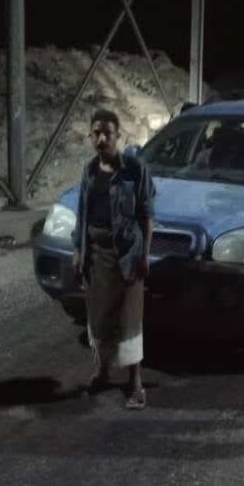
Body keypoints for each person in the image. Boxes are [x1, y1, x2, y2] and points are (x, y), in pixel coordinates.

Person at [71, 109, 155, 409]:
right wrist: (78, 250)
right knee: (99, 318)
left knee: (128, 320)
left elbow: (147, 215)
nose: (102, 138)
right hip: (96, 255)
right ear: (90, 136)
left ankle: (135, 383)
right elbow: (82, 213)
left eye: (107, 133)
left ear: (118, 136)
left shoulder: (135, 169)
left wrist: (144, 254)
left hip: (127, 256)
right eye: (96, 133)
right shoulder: (89, 171)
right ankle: (103, 371)